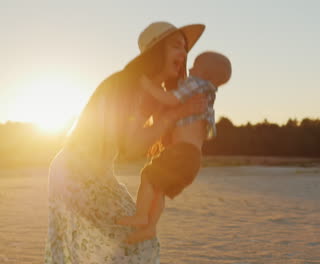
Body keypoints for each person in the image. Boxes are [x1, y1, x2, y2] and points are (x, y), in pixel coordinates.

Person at [44, 21, 206, 263]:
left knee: (129, 242)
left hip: (94, 173)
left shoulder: (150, 91)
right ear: (157, 51)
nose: (183, 54)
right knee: (134, 243)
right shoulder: (130, 85)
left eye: (185, 48)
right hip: (76, 174)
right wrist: (173, 115)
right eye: (176, 47)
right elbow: (131, 147)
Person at [116, 52, 232, 243]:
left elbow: (170, 99)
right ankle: (150, 228)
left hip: (181, 152)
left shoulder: (196, 85)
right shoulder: (209, 96)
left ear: (207, 76)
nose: (191, 69)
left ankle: (141, 215)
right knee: (158, 190)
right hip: (193, 159)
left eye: (196, 66)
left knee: (147, 176)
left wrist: (147, 85)